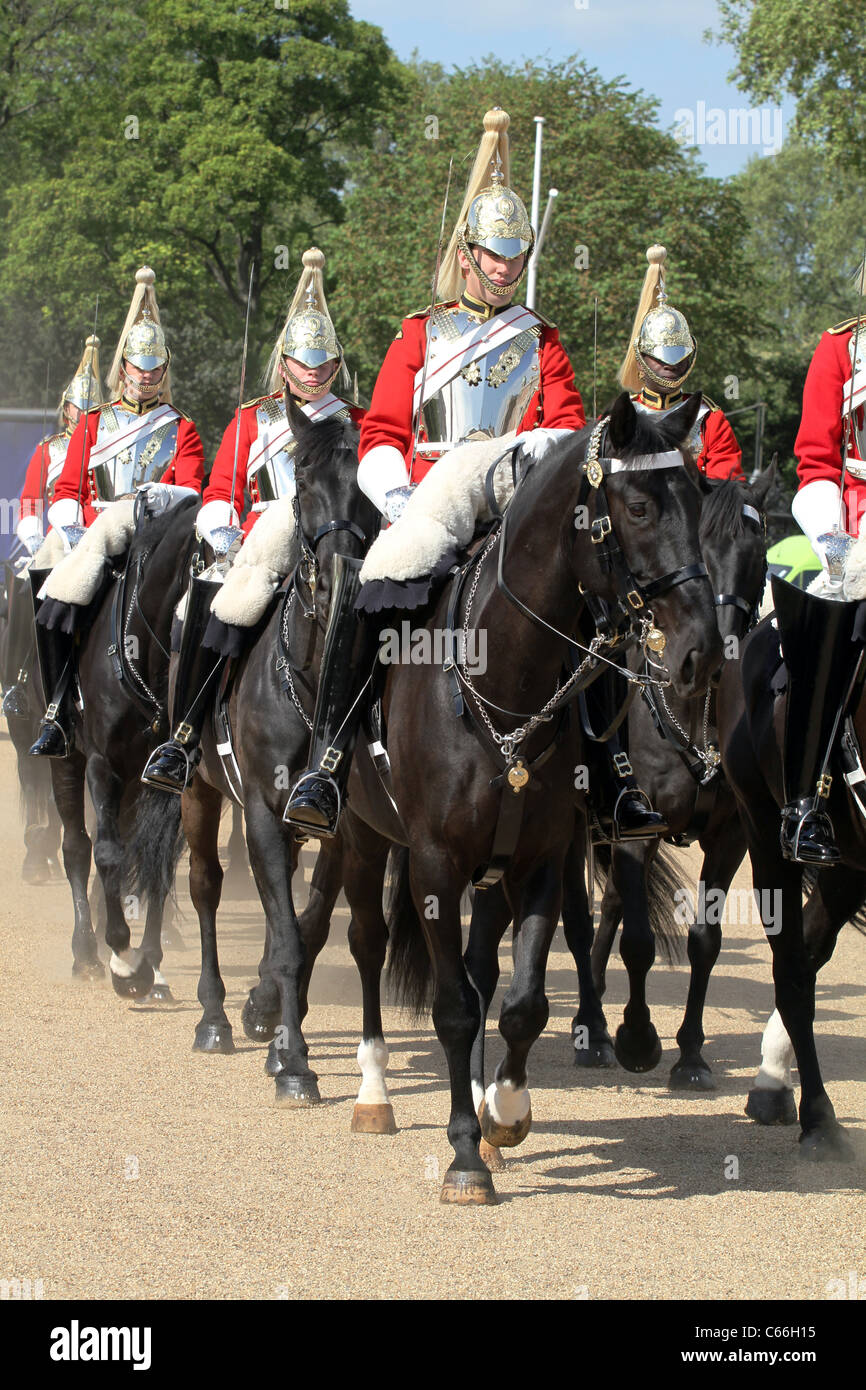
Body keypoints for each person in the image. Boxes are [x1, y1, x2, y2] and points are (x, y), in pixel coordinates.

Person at [285, 106, 586, 838]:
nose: (506, 268)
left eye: (517, 256)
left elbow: (569, 430)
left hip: (518, 506)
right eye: (494, 254)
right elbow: (383, 431)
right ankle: (328, 762)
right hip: (430, 500)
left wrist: (538, 461)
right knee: (367, 584)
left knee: (598, 604)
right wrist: (398, 497)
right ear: (467, 254)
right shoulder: (420, 332)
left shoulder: (541, 341)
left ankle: (607, 778)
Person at [141, 247, 364, 794]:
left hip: (336, 538)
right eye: (302, 363)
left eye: (323, 364)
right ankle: (185, 734)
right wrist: (221, 527)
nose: (312, 374)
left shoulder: (356, 421)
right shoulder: (251, 420)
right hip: (263, 541)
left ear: (336, 366)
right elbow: (219, 490)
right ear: (284, 362)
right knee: (209, 597)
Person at [29, 266, 204, 757]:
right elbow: (67, 486)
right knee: (49, 578)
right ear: (122, 367)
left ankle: (188, 722)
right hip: (92, 532)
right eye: (137, 367)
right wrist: (69, 523)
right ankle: (57, 707)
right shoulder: (90, 423)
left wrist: (146, 505)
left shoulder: (182, 429)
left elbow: (189, 491)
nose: (145, 377)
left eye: (155, 369)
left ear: (164, 372)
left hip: (153, 535)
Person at [774, 297, 866, 863]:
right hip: (854, 525)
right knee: (836, 628)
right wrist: (836, 549)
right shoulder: (841, 346)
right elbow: (816, 459)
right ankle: (804, 803)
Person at [2, 337, 104, 718]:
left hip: (97, 537)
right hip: (54, 540)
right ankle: (17, 678)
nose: (85, 414)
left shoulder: (107, 442)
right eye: (80, 408)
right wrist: (35, 541)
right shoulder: (49, 449)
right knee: (24, 587)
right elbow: (29, 504)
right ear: (67, 411)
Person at [618, 245, 743, 480]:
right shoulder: (624, 416)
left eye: (678, 356)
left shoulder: (709, 420)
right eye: (660, 358)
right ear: (641, 357)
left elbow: (727, 487)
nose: (671, 365)